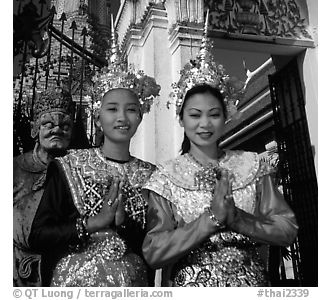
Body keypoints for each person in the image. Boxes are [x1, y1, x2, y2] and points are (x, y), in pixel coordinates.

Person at [142, 27, 298, 287]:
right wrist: (209, 220)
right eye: (194, 115)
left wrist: (238, 218)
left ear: (226, 117)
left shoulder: (251, 165)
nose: (205, 124)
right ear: (181, 118)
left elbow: (287, 228)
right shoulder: (166, 177)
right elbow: (153, 251)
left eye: (214, 114)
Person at [29, 34, 160, 287]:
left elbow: (154, 246)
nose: (122, 117)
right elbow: (38, 235)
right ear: (97, 117)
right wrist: (91, 224)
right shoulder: (69, 165)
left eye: (131, 109)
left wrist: (124, 224)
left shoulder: (152, 176)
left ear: (140, 117)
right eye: (112, 109)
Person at [13, 86, 75, 286]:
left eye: (65, 126)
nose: (57, 130)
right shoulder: (13, 168)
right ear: (34, 128)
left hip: (66, 268)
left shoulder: (78, 170)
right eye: (49, 124)